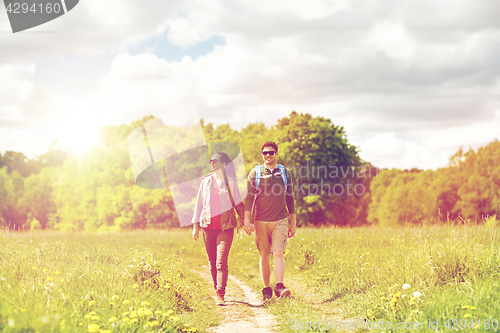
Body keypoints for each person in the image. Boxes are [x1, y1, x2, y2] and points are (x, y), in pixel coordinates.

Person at [243, 141, 296, 302]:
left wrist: (293, 223)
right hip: (260, 220)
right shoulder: (256, 173)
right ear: (262, 154)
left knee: (278, 252)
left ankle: (279, 286)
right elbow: (249, 198)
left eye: (271, 152)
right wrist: (247, 220)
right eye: (265, 152)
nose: (267, 155)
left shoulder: (285, 173)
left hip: (280, 219)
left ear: (276, 154)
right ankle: (267, 289)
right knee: (264, 255)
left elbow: (290, 198)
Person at [192, 152, 244, 305]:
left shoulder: (231, 183)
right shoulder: (205, 182)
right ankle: (216, 288)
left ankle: (221, 292)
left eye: (215, 160)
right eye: (210, 160)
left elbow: (238, 205)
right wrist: (195, 226)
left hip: (225, 227)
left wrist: (246, 222)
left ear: (223, 164)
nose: (211, 163)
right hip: (207, 227)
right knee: (212, 261)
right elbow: (198, 204)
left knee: (221, 261)